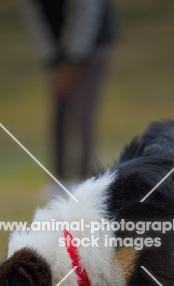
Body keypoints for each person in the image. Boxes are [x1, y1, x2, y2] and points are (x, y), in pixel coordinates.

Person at [19, 0, 116, 195]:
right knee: (59, 113)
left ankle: (85, 181)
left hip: (91, 46)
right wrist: (53, 60)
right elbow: (34, 20)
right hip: (57, 53)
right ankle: (59, 180)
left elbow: (84, 15)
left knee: (83, 113)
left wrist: (73, 61)